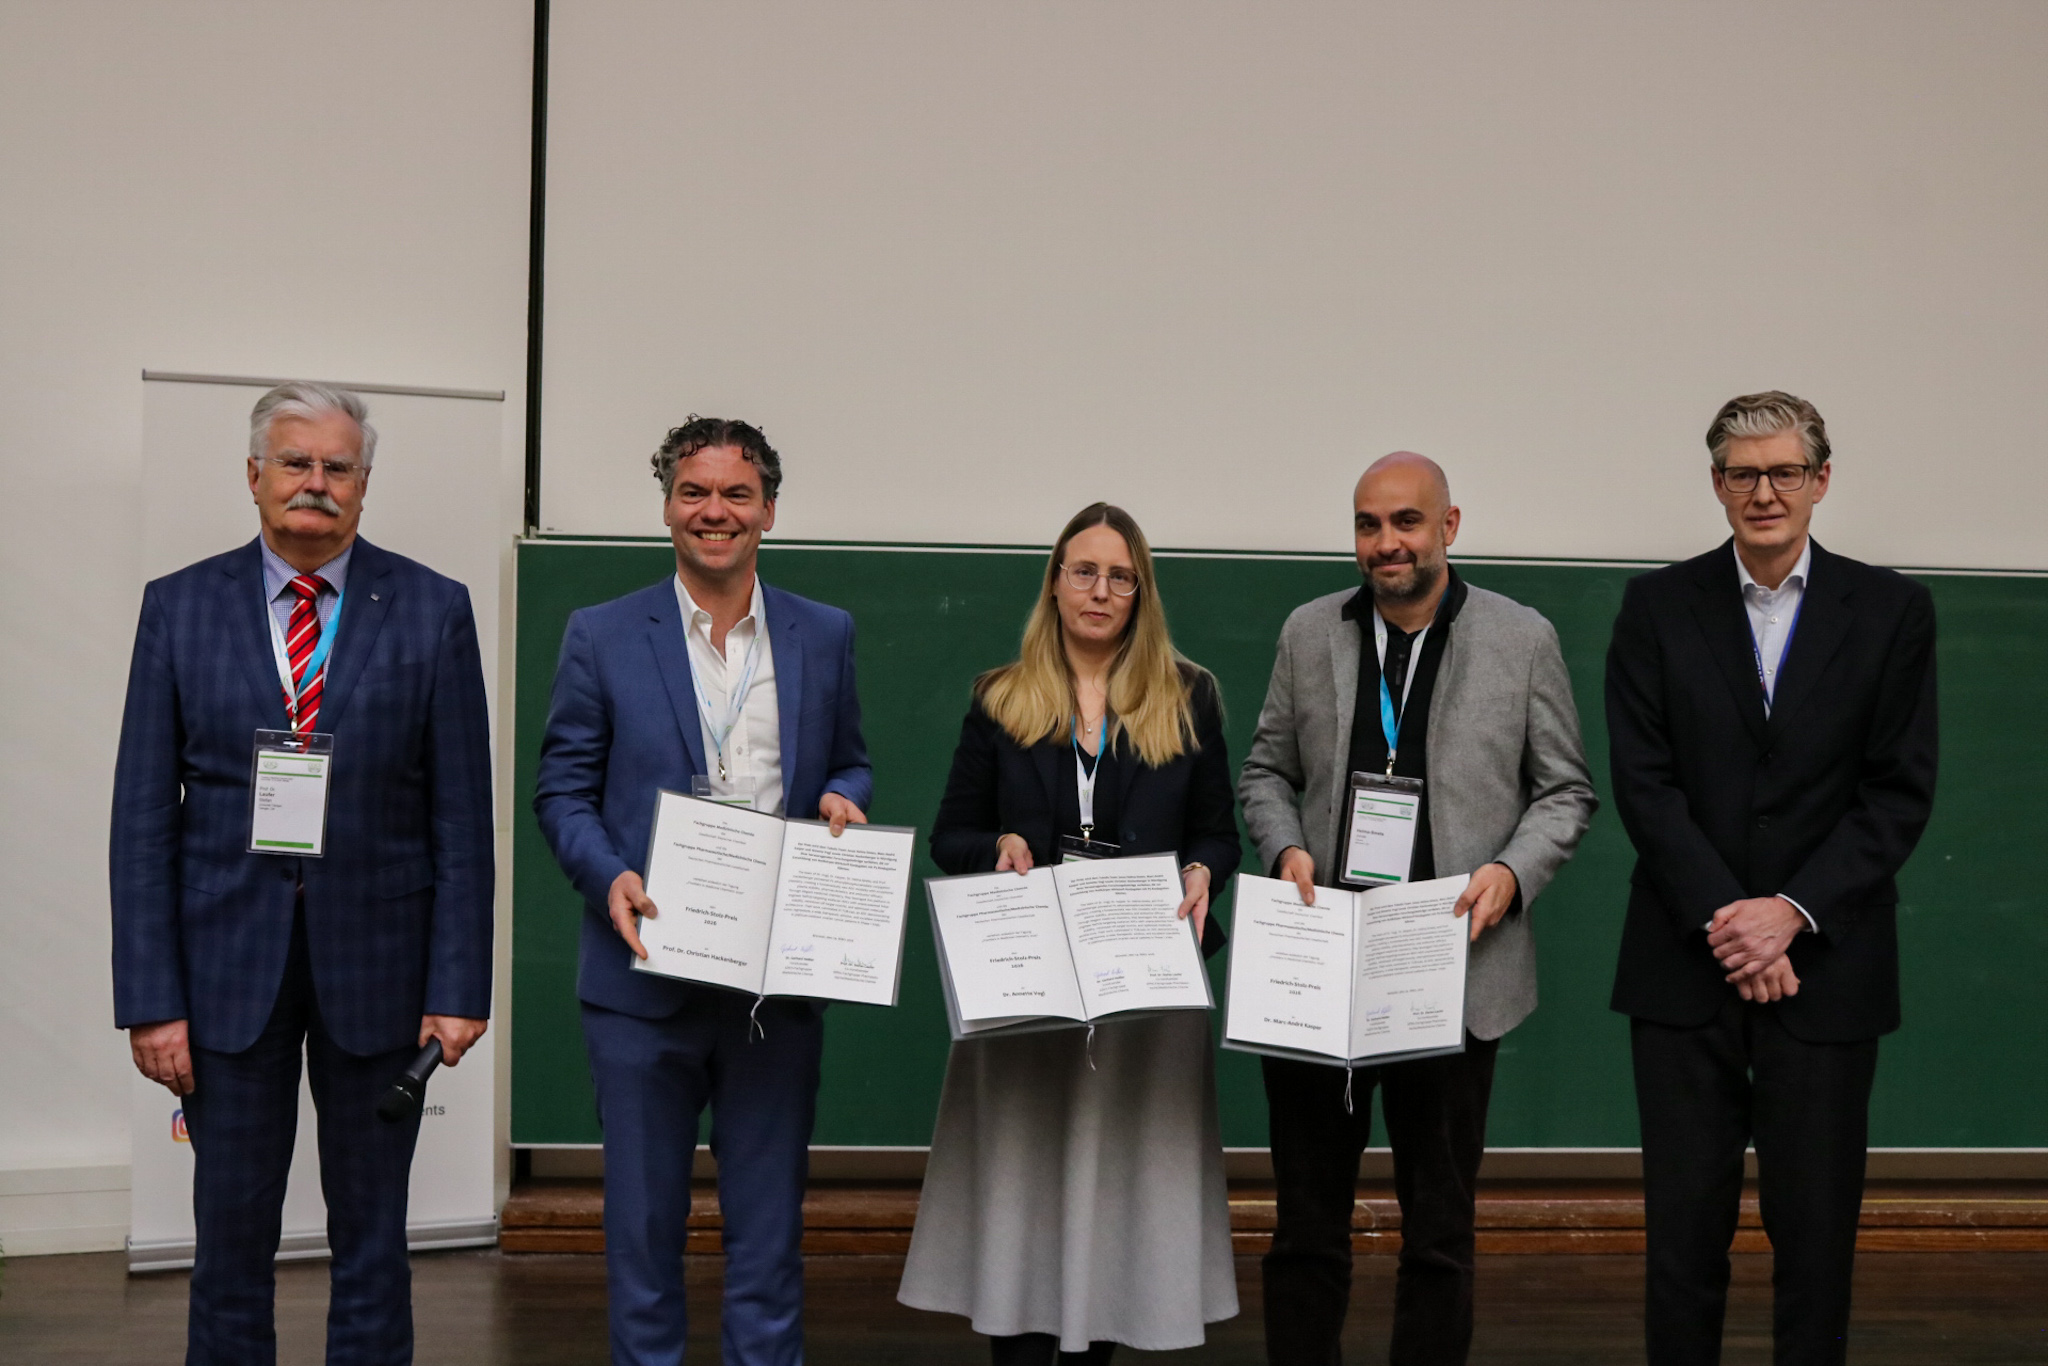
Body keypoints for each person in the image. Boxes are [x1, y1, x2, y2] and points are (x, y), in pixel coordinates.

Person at [111, 382, 495, 1365]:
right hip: (222, 979)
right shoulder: (178, 606)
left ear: (365, 485)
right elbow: (143, 822)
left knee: (373, 1241)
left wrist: (458, 988)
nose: (315, 484)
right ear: (254, 476)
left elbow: (460, 818)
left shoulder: (433, 609)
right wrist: (150, 1000)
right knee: (229, 1241)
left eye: (337, 467)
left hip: (381, 970)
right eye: (296, 463)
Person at [1238, 452, 1596, 1365]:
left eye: (1405, 521)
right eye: (1368, 524)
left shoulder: (1522, 638)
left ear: (1449, 526)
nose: (1385, 542)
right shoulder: (1308, 631)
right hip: (1322, 969)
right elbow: (1265, 772)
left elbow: (1564, 793)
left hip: (1454, 970)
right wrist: (1284, 847)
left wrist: (1511, 874)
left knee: (1439, 1235)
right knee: (1305, 1229)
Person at [1605, 392, 1937, 1366]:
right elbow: (1644, 782)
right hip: (1682, 966)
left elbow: (1896, 792)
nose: (1763, 491)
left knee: (1817, 1238)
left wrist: (1786, 914)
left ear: (1818, 482)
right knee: (1680, 1238)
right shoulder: (1654, 607)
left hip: (1826, 968)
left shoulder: (1889, 612)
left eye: (1783, 471)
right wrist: (1730, 919)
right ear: (1715, 485)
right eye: (1742, 473)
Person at [533, 416, 872, 1366]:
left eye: (734, 494)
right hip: (640, 982)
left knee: (768, 1240)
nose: (713, 512)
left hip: (775, 982)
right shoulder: (600, 634)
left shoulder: (824, 633)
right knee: (643, 1239)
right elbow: (561, 790)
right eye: (694, 493)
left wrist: (847, 796)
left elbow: (849, 762)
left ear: (768, 509)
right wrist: (609, 875)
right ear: (668, 506)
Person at [897, 502, 1242, 1365]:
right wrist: (1000, 845)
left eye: (1120, 576)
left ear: (1141, 592)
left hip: (1143, 998)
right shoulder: (1000, 697)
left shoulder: (1189, 695)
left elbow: (1216, 832)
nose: (1100, 590)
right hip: (1027, 995)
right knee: (1024, 1205)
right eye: (1083, 571)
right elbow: (951, 834)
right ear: (1054, 582)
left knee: (1115, 1204)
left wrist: (1204, 871)